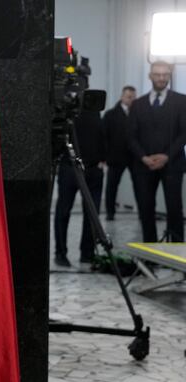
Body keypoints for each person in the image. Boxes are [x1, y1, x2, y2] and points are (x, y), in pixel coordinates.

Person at [127, 61, 186, 242]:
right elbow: (130, 136)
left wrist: (166, 156)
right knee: (145, 209)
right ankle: (150, 252)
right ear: (150, 76)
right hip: (143, 166)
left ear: (169, 76)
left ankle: (176, 253)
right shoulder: (137, 104)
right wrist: (144, 158)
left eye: (165, 74)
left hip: (173, 164)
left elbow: (184, 133)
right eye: (157, 74)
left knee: (175, 209)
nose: (161, 78)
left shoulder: (182, 101)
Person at [54, 109, 105, 268]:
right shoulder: (65, 110)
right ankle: (61, 253)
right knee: (63, 211)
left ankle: (87, 253)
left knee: (92, 212)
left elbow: (103, 134)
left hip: (92, 168)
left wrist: (103, 159)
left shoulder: (94, 110)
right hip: (69, 167)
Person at [102, 85, 136, 220]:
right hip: (116, 157)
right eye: (129, 97)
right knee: (112, 186)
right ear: (122, 97)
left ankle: (144, 213)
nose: (132, 99)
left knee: (141, 186)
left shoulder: (138, 113)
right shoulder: (110, 115)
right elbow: (103, 136)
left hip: (135, 156)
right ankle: (110, 213)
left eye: (133, 97)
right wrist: (104, 156)